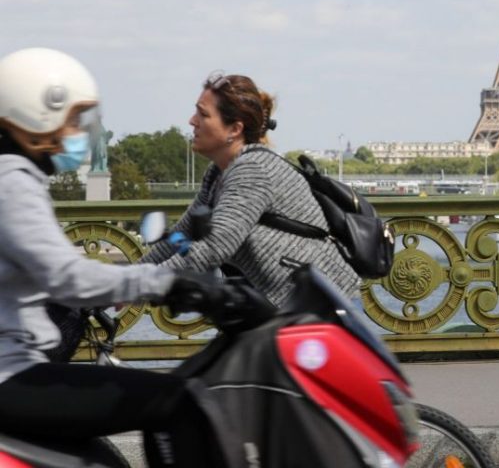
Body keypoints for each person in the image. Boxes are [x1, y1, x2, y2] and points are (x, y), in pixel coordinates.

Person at [0, 48, 232, 467]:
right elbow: (65, 276)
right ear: (36, 118)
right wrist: (164, 283)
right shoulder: (12, 183)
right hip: (10, 375)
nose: (78, 132)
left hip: (16, 369)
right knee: (176, 400)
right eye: (72, 120)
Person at [140, 72, 360, 306]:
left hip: (324, 308)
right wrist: (129, 276)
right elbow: (183, 235)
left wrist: (138, 285)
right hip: (288, 308)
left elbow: (214, 248)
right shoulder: (218, 173)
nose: (192, 121)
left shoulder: (252, 170)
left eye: (203, 114)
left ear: (234, 129)